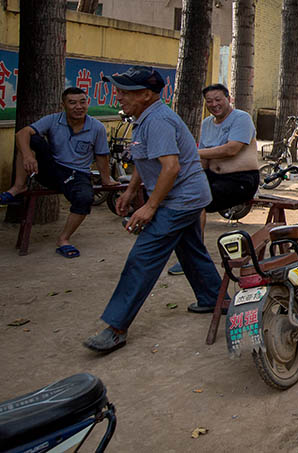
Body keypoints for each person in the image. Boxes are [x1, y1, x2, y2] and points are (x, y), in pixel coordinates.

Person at [84, 66, 223, 353]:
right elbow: (149, 160)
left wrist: (149, 206)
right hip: (186, 196)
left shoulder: (157, 121)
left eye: (125, 92)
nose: (118, 97)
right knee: (191, 251)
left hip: (181, 199)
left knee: (142, 257)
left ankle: (116, 327)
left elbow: (171, 168)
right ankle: (215, 299)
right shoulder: (145, 118)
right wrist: (132, 189)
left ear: (146, 95)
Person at [1, 87, 116, 258]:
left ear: (87, 103)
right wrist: (27, 156)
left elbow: (101, 156)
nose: (78, 106)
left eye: (82, 102)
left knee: (85, 198)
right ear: (63, 105)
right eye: (72, 102)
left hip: (77, 175)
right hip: (51, 168)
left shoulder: (96, 127)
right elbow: (21, 134)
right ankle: (18, 186)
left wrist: (106, 179)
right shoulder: (54, 120)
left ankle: (64, 239)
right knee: (29, 139)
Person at [166, 83, 259, 281]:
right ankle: (187, 250)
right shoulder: (207, 123)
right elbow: (204, 159)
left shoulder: (241, 118)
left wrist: (191, 153)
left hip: (241, 180)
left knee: (197, 200)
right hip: (214, 177)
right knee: (179, 192)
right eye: (209, 101)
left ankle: (195, 256)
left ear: (228, 99)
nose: (214, 104)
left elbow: (231, 150)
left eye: (218, 99)